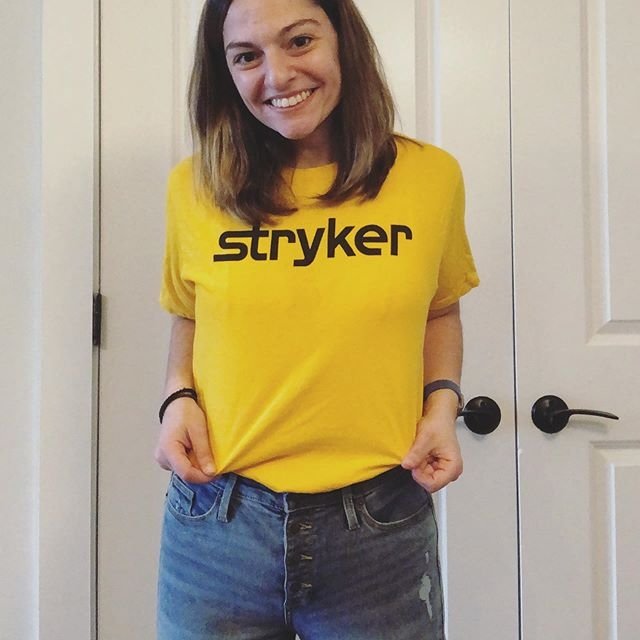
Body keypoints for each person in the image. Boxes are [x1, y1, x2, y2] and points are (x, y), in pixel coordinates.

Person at [154, 0, 479, 638]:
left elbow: (440, 308)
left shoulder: (429, 177)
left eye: (299, 41)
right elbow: (190, 316)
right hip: (216, 524)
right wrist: (176, 398)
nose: (276, 75)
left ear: (342, 42)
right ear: (224, 72)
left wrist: (442, 403)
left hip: (379, 527)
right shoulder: (195, 186)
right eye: (246, 56)